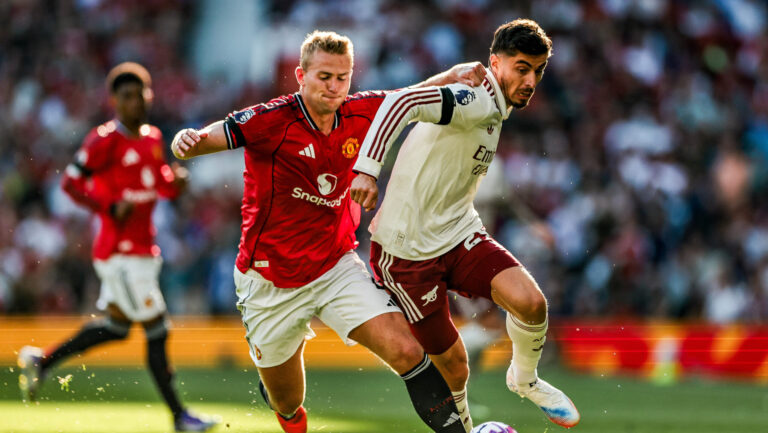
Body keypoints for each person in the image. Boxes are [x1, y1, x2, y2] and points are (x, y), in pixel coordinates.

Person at [170, 31, 485, 433]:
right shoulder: (273, 119)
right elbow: (216, 134)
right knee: (288, 402)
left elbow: (407, 96)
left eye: (342, 77)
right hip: (269, 281)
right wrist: (187, 141)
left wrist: (452, 75)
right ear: (301, 76)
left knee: (407, 350)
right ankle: (284, 405)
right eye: (324, 77)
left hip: (335, 267)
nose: (334, 86)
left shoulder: (360, 112)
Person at [349, 19, 580, 429]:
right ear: (496, 62)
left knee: (531, 303)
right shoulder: (472, 98)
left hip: (458, 232)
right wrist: (367, 169)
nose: (531, 81)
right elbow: (400, 103)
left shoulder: (496, 106)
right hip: (406, 252)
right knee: (454, 367)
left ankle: (525, 379)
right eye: (522, 68)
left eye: (538, 71)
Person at [17, 62, 218, 433]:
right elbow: (71, 183)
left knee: (117, 328)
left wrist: (176, 183)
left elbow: (159, 184)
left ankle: (41, 361)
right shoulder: (103, 140)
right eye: (126, 96)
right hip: (120, 251)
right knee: (158, 329)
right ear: (113, 101)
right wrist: (108, 206)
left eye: (140, 95)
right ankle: (180, 416)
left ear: (149, 96)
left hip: (143, 249)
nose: (134, 102)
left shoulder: (153, 137)